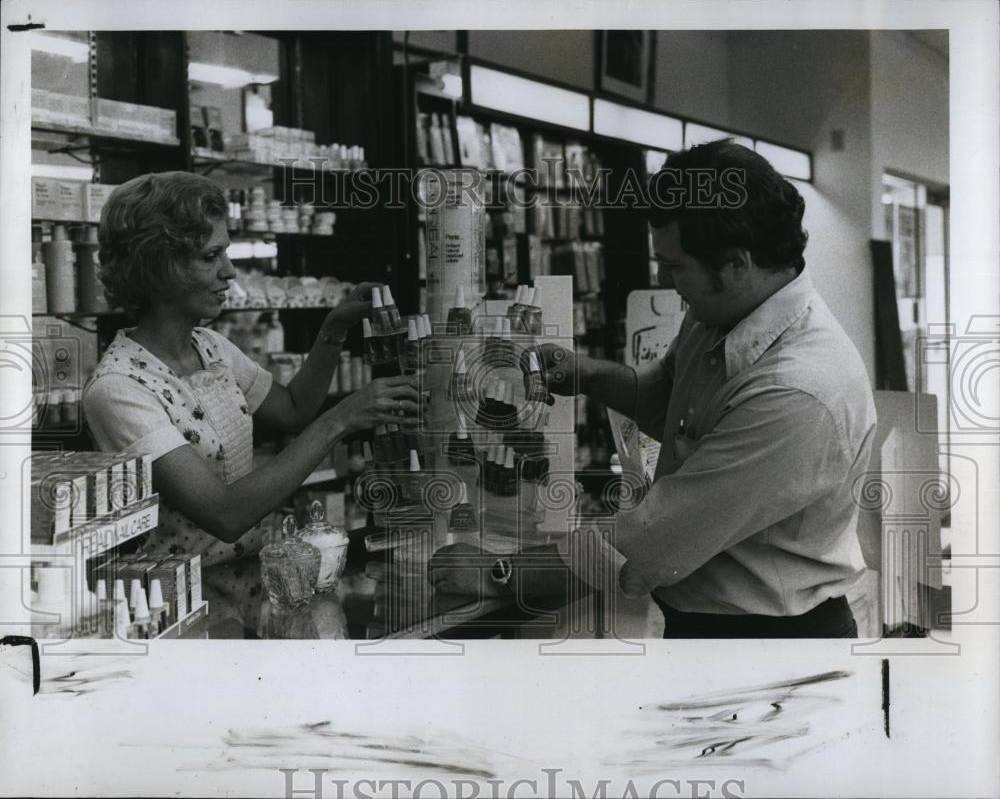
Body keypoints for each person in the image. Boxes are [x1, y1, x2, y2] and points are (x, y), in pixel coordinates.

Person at [430, 140, 876, 638]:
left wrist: (499, 574)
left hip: (773, 642)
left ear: (736, 264)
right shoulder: (720, 316)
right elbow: (670, 401)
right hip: (709, 627)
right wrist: (590, 375)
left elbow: (649, 542)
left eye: (675, 266)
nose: (666, 281)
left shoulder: (797, 391)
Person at [83, 171, 419, 634]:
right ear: (160, 266)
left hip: (259, 584)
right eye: (211, 256)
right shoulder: (119, 389)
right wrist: (340, 419)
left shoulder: (212, 348)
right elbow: (225, 513)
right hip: (182, 607)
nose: (230, 271)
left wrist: (335, 327)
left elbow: (295, 408)